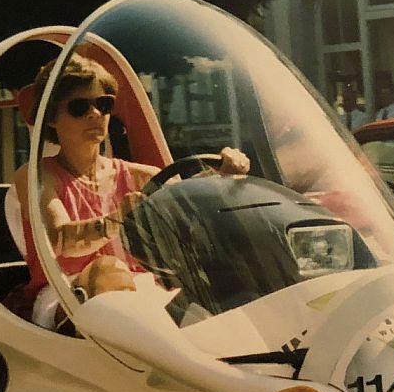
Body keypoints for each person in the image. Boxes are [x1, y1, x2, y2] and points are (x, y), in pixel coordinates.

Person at [13, 53, 249, 329]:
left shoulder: (137, 175)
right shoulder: (37, 175)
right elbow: (59, 240)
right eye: (79, 107)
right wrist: (115, 221)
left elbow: (188, 199)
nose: (95, 114)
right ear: (51, 117)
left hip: (139, 294)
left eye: (104, 104)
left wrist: (222, 175)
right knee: (109, 269)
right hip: (63, 297)